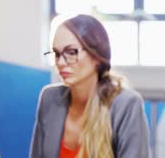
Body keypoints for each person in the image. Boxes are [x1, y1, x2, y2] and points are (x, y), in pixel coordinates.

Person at [30, 14, 149, 158]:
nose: (60, 62)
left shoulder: (126, 104)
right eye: (56, 53)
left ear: (97, 57)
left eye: (71, 52)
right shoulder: (49, 98)